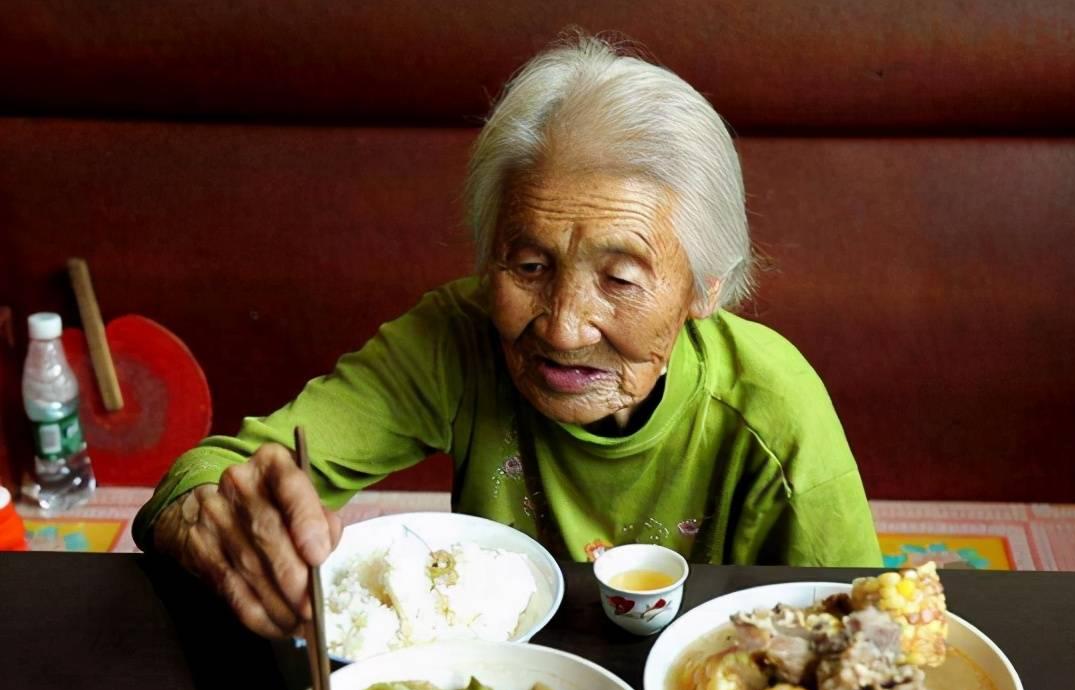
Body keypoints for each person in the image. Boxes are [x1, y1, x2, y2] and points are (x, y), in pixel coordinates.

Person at [134, 36, 882, 639]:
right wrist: (218, 525)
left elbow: (871, 624)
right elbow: (210, 471)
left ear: (704, 290)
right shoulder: (455, 340)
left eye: (620, 280)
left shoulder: (773, 409)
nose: (560, 326)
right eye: (528, 265)